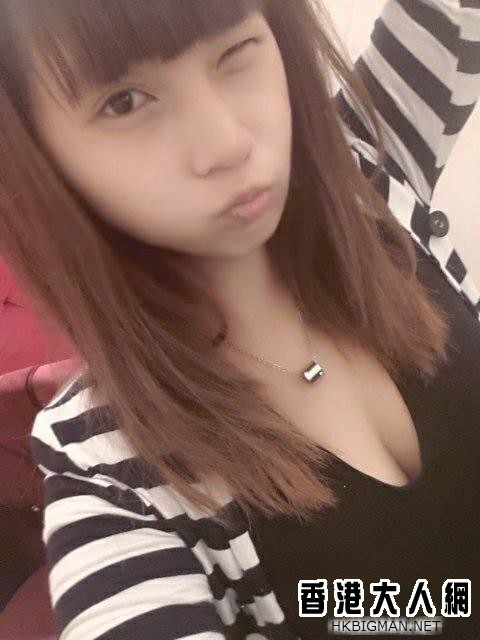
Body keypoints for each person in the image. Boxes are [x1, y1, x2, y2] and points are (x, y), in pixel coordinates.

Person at [0, 0, 478, 638]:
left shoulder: (365, 169)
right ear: (43, 158)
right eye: (125, 102)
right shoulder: (107, 468)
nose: (228, 143)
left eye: (235, 52)